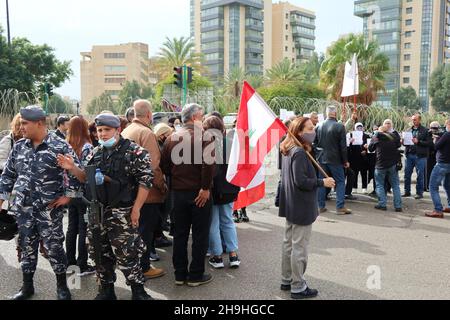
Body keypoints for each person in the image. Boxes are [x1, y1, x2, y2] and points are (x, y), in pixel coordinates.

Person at [58, 113, 154, 300]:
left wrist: (136, 209)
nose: (102, 134)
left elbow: (146, 182)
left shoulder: (135, 152)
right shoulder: (96, 153)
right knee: (99, 252)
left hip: (123, 212)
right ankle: (106, 289)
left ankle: (138, 290)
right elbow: (86, 178)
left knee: (128, 252)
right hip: (99, 212)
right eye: (99, 130)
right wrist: (72, 168)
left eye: (106, 130)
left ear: (118, 130)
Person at [0, 106, 79, 300]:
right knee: (26, 247)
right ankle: (27, 287)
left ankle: (62, 287)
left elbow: (76, 172)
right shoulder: (19, 146)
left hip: (48, 211)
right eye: (21, 123)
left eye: (25, 123)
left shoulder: (59, 146)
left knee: (55, 248)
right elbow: (8, 175)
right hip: (23, 210)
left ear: (39, 123)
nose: (21, 127)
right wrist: (1, 200)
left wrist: (68, 196)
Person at [279, 117, 335, 300]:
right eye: (310, 128)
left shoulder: (288, 149)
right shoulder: (299, 153)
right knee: (299, 247)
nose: (314, 131)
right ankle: (298, 286)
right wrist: (322, 182)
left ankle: (287, 279)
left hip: (291, 204)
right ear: (299, 132)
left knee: (289, 244)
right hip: (301, 205)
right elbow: (301, 181)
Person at [161, 103, 215, 287]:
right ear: (195, 118)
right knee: (200, 234)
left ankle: (180, 274)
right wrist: (205, 188)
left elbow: (165, 167)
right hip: (199, 192)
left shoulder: (171, 138)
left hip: (178, 194)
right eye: (202, 116)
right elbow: (208, 165)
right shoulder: (205, 136)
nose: (203, 120)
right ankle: (195, 274)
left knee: (180, 235)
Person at [121, 99, 167, 280]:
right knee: (145, 232)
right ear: (149, 114)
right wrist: (162, 186)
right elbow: (153, 167)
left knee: (134, 232)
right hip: (146, 193)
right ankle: (144, 267)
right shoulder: (146, 133)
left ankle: (134, 266)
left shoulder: (126, 130)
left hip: (129, 191)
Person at [204, 115, 241, 270]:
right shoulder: (232, 144)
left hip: (212, 190)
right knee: (228, 221)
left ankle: (217, 256)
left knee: (213, 223)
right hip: (229, 189)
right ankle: (233, 255)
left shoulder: (205, 146)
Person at [65, 116, 95, 276]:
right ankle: (82, 265)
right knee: (84, 228)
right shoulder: (87, 147)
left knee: (71, 228)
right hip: (83, 195)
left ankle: (70, 263)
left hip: (69, 194)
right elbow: (87, 173)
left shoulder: (66, 145)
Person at [315, 106, 352, 215]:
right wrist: (345, 161)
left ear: (327, 114)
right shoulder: (340, 126)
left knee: (322, 182)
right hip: (335, 159)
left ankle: (320, 206)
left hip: (321, 158)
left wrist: (318, 155)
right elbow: (343, 146)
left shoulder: (318, 125)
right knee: (340, 182)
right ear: (335, 114)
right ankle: (339, 207)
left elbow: (314, 143)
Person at [368, 123, 403, 212]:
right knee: (395, 185)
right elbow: (398, 145)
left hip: (380, 164)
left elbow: (370, 148)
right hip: (392, 164)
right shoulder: (393, 136)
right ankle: (398, 206)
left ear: (379, 131)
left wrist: (375, 137)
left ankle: (382, 204)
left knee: (379, 184)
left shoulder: (377, 136)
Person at [403, 114, 433, 200]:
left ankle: (419, 193)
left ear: (419, 120)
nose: (413, 121)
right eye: (412, 119)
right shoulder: (408, 129)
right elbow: (406, 143)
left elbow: (430, 143)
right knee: (407, 174)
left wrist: (418, 142)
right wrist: (403, 141)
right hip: (409, 155)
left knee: (420, 175)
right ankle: (406, 191)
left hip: (420, 156)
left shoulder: (425, 130)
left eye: (415, 119)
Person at [426, 119, 450, 219]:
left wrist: (435, 139)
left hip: (442, 163)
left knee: (432, 186)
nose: (445, 127)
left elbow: (436, 146)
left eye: (446, 125)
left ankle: (438, 210)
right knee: (447, 185)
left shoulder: (447, 135)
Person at [346, 123, 370, 196]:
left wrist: (365, 150)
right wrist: (350, 141)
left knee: (364, 173)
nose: (359, 129)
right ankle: (354, 187)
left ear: (363, 128)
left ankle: (364, 187)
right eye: (357, 127)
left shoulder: (366, 136)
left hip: (363, 158)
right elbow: (348, 146)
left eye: (360, 127)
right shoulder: (351, 135)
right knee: (354, 173)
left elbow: (370, 146)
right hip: (354, 157)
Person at [425, 122, 442, 193]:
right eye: (432, 128)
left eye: (435, 128)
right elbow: (427, 143)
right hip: (429, 155)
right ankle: (426, 186)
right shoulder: (428, 134)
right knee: (428, 171)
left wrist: (437, 139)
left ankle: (435, 186)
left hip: (437, 155)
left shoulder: (441, 134)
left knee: (436, 172)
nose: (434, 130)